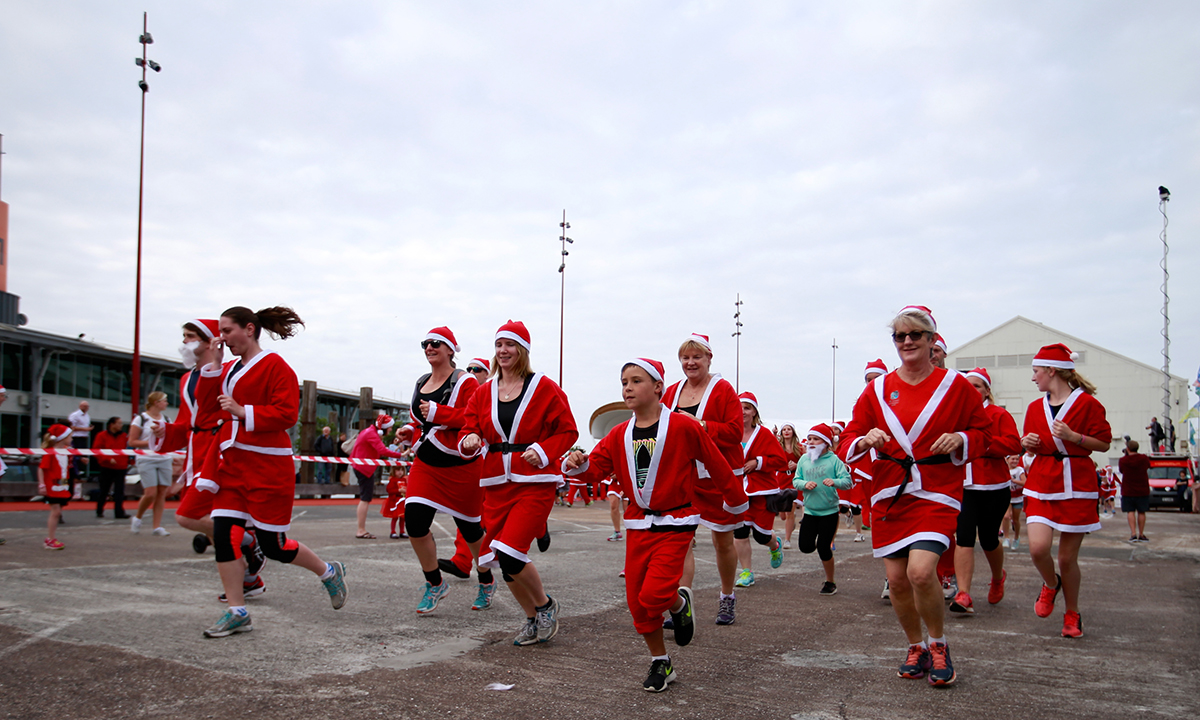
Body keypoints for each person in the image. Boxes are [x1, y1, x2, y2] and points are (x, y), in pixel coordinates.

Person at [563, 358, 749, 692]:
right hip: (637, 525)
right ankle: (661, 661)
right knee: (637, 601)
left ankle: (678, 603)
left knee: (655, 594)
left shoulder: (683, 426)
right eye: (624, 382)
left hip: (676, 522)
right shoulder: (619, 433)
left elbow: (716, 463)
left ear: (659, 387)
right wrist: (576, 463)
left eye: (636, 381)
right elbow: (595, 470)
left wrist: (735, 502)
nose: (628, 388)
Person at [838, 305, 991, 687]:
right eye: (899, 336)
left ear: (932, 341)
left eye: (915, 335)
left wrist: (962, 438)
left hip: (937, 491)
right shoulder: (876, 390)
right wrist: (863, 438)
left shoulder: (955, 386)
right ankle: (916, 646)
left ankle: (939, 644)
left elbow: (985, 433)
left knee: (921, 572)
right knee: (898, 581)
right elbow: (847, 438)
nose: (907, 342)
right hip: (891, 493)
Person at [195, 306, 348, 638]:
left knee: (274, 546)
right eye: (219, 332)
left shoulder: (275, 365)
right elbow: (208, 409)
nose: (222, 337)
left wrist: (242, 411)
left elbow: (286, 414)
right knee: (223, 536)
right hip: (232, 465)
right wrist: (213, 367)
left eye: (227, 330)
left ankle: (328, 572)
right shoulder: (230, 369)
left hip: (267, 468)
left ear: (249, 329)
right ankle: (237, 611)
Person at [459, 320, 578, 646]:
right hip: (497, 483)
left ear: (522, 349)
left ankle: (545, 605)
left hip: (535, 482)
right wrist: (469, 438)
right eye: (499, 345)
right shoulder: (484, 392)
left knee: (511, 553)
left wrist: (542, 450)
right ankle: (531, 617)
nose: (503, 350)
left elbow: (568, 431)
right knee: (498, 560)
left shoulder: (544, 387)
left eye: (510, 344)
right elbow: (469, 427)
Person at [154, 319, 266, 600]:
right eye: (183, 337)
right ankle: (248, 579)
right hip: (197, 451)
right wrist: (165, 432)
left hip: (219, 451)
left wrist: (215, 366)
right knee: (217, 525)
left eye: (190, 337)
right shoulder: (185, 379)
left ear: (209, 341)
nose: (185, 343)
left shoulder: (228, 371)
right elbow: (186, 423)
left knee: (187, 516)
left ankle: (249, 541)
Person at [392, 327, 491, 614]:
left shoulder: (466, 382)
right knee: (415, 523)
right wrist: (408, 430)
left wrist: (438, 413)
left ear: (450, 349)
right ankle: (434, 583)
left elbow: (475, 418)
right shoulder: (421, 381)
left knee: (471, 531)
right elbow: (424, 424)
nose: (429, 347)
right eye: (425, 343)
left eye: (435, 343)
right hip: (427, 465)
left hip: (461, 467)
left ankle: (486, 580)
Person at [1020, 343, 1112, 639]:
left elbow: (1104, 443)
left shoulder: (1088, 404)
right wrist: (1028, 444)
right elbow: (1029, 445)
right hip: (1042, 482)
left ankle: (1072, 612)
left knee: (1067, 559)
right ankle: (1050, 584)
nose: (1033, 378)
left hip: (1076, 484)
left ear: (1051, 371)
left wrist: (1075, 437)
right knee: (1037, 548)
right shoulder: (1035, 408)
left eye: (1036, 372)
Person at [660, 333, 748, 626]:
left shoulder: (723, 389)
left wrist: (703, 426)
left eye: (697, 357)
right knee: (682, 540)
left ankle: (727, 597)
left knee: (722, 541)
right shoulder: (672, 392)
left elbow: (736, 432)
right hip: (685, 476)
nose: (690, 362)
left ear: (709, 359)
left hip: (718, 477)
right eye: (685, 357)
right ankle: (682, 604)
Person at [949, 369, 1021, 616]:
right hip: (964, 487)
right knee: (964, 537)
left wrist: (979, 442)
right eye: (967, 386)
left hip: (994, 487)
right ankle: (964, 593)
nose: (972, 391)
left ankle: (998, 577)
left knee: (989, 539)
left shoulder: (999, 414)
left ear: (987, 390)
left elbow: (1014, 444)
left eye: (977, 386)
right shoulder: (955, 416)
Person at [732, 392, 787, 587]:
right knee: (739, 532)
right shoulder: (732, 432)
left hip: (762, 491)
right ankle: (747, 572)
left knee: (761, 535)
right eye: (739, 407)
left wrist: (759, 462)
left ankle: (775, 544)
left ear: (754, 411)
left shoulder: (763, 434)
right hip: (739, 491)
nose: (743, 411)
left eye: (747, 408)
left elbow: (781, 461)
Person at [794, 423, 852, 595]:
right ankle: (816, 544)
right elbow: (796, 480)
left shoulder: (834, 460)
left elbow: (848, 481)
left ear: (826, 442)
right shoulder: (804, 460)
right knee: (805, 547)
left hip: (829, 512)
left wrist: (835, 481)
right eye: (810, 438)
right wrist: (804, 484)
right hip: (810, 511)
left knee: (824, 548)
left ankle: (830, 582)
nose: (811, 442)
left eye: (816, 439)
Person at [349, 413, 406, 539]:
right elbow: (383, 451)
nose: (390, 430)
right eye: (390, 427)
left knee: (365, 498)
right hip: (364, 468)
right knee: (365, 498)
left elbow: (379, 449)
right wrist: (401, 455)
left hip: (363, 467)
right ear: (384, 427)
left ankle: (361, 529)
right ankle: (361, 530)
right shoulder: (371, 434)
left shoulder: (369, 432)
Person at [128, 392, 174, 536]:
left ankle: (157, 526)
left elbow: (170, 438)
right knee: (150, 492)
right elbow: (132, 441)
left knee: (162, 492)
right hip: (146, 458)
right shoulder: (140, 419)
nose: (166, 403)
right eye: (164, 401)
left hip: (164, 458)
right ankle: (138, 517)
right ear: (156, 402)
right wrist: (151, 443)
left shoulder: (166, 419)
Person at [38, 424, 74, 550]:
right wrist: (42, 484)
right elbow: (42, 469)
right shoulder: (50, 452)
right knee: (56, 512)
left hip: (62, 486)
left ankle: (51, 538)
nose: (72, 439)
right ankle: (50, 539)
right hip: (52, 486)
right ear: (63, 437)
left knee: (58, 512)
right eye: (70, 436)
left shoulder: (65, 451)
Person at [92, 417, 130, 519]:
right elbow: (96, 450)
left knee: (119, 491)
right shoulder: (101, 435)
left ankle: (119, 512)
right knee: (104, 490)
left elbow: (128, 449)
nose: (121, 425)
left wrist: (129, 461)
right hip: (106, 467)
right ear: (112, 424)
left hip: (121, 466)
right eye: (119, 423)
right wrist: (107, 459)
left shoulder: (124, 436)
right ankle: (99, 509)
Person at [1117, 440, 1151, 542]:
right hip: (1142, 489)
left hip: (1128, 489)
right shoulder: (1144, 458)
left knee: (1130, 511)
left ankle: (1133, 533)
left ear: (1128, 449)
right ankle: (1141, 533)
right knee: (1142, 512)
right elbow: (1148, 466)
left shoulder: (1123, 460)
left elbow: (1121, 471)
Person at [777, 423, 802, 544]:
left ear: (793, 432)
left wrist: (798, 466)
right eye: (784, 430)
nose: (786, 431)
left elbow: (806, 463)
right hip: (781, 478)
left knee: (790, 509)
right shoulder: (778, 446)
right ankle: (790, 523)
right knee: (782, 515)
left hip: (794, 478)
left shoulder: (799, 447)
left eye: (789, 429)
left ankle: (787, 539)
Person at [1001, 456, 1026, 550]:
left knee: (1015, 520)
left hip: (1018, 497)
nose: (1015, 461)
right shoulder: (1004, 468)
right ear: (1007, 460)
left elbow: (1025, 482)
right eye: (1013, 459)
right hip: (1007, 496)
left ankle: (1016, 537)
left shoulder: (1019, 470)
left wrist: (1014, 481)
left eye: (1017, 459)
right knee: (1006, 516)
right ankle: (1006, 538)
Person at [67, 400, 93, 480]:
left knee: (83, 456)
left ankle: (81, 473)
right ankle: (75, 473)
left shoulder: (87, 416)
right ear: (80, 406)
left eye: (87, 406)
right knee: (76, 456)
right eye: (84, 406)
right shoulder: (75, 415)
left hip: (83, 438)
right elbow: (71, 427)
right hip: (76, 438)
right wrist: (85, 429)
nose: (86, 408)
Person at [382, 464, 408, 539]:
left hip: (402, 501)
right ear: (394, 471)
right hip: (395, 501)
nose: (400, 472)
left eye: (402, 470)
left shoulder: (404, 480)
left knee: (403, 517)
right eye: (398, 470)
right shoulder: (392, 480)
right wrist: (398, 490)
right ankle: (393, 531)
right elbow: (389, 490)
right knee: (395, 517)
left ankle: (402, 531)